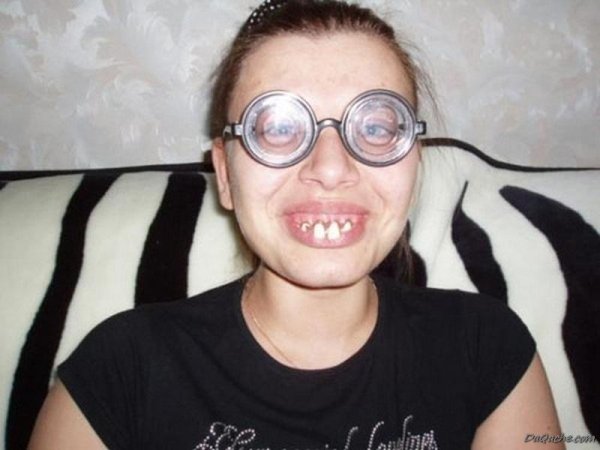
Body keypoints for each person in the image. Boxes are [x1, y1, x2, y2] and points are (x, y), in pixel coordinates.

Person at [29, 1, 563, 448]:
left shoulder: (487, 348)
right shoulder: (119, 371)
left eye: (375, 127)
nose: (331, 168)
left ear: (413, 165)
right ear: (225, 174)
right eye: (279, 127)